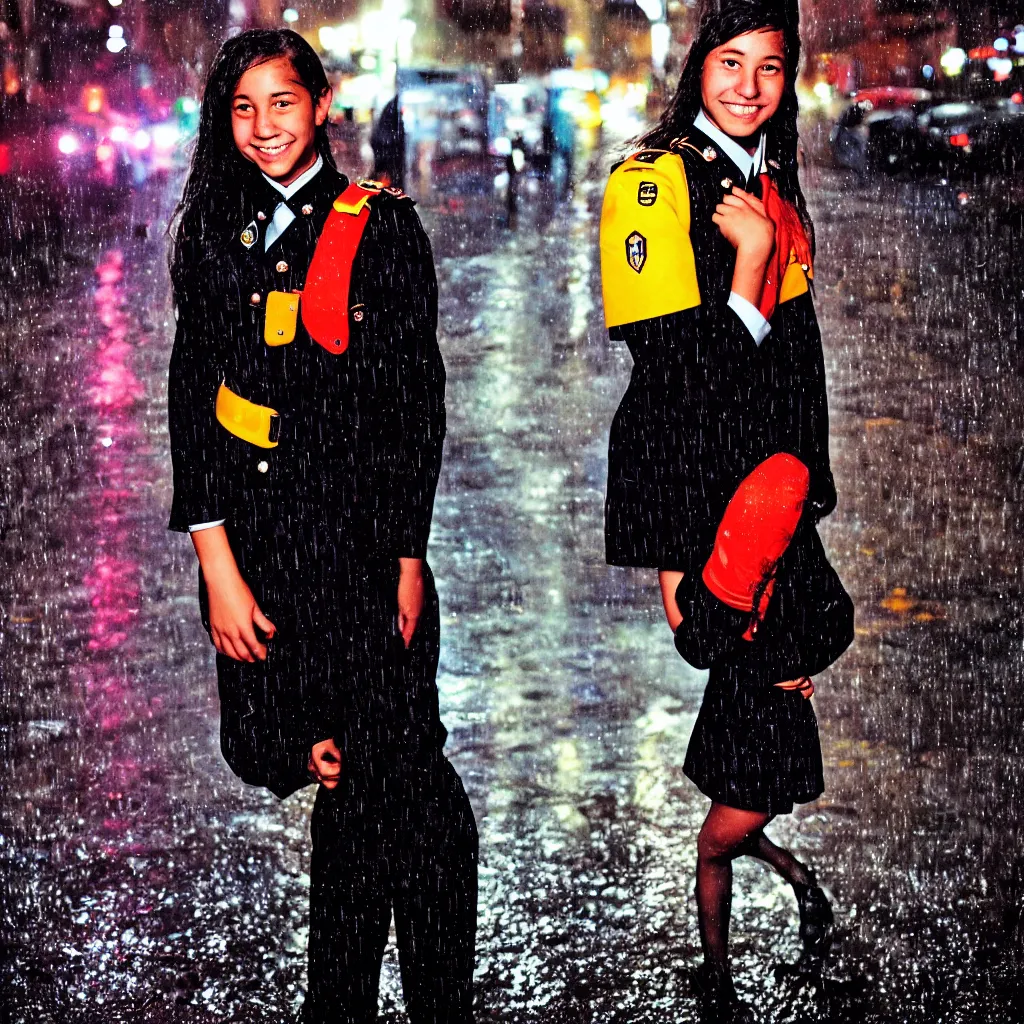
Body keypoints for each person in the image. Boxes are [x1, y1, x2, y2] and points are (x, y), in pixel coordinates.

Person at [167, 30, 477, 1024]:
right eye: (244, 107)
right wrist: (215, 559)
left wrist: (404, 551)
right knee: (338, 764)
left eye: (282, 102)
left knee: (389, 773)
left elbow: (411, 403)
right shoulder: (212, 229)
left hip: (356, 544)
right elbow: (190, 397)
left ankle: (376, 999)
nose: (264, 127)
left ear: (321, 103)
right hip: (262, 546)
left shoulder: (377, 226)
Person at [599, 0, 853, 1019]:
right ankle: (728, 946)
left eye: (770, 66)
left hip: (775, 494)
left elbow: (792, 375)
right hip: (701, 496)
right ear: (694, 65)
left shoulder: (768, 177)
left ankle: (762, 875)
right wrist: (748, 266)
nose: (749, 85)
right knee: (729, 655)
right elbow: (669, 376)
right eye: (730, 62)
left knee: (800, 647)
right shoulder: (653, 182)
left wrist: (808, 495)